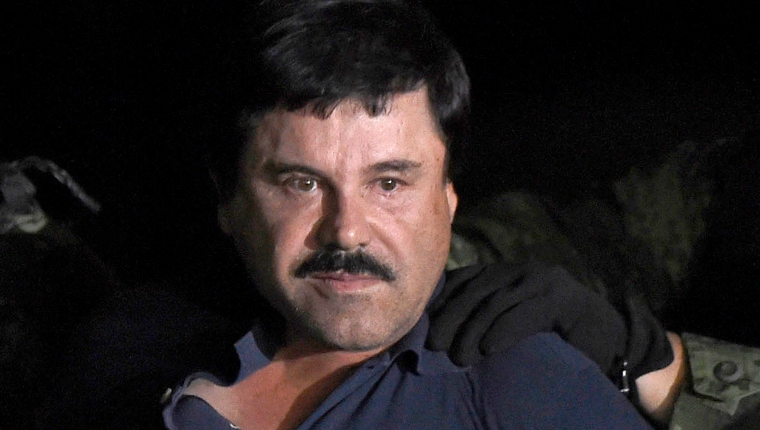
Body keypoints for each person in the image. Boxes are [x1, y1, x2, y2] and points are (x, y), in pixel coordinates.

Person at [159, 0, 672, 428]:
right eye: (303, 183)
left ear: (449, 198)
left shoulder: (525, 385)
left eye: (388, 183)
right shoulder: (140, 347)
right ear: (229, 199)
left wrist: (642, 360)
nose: (347, 231)